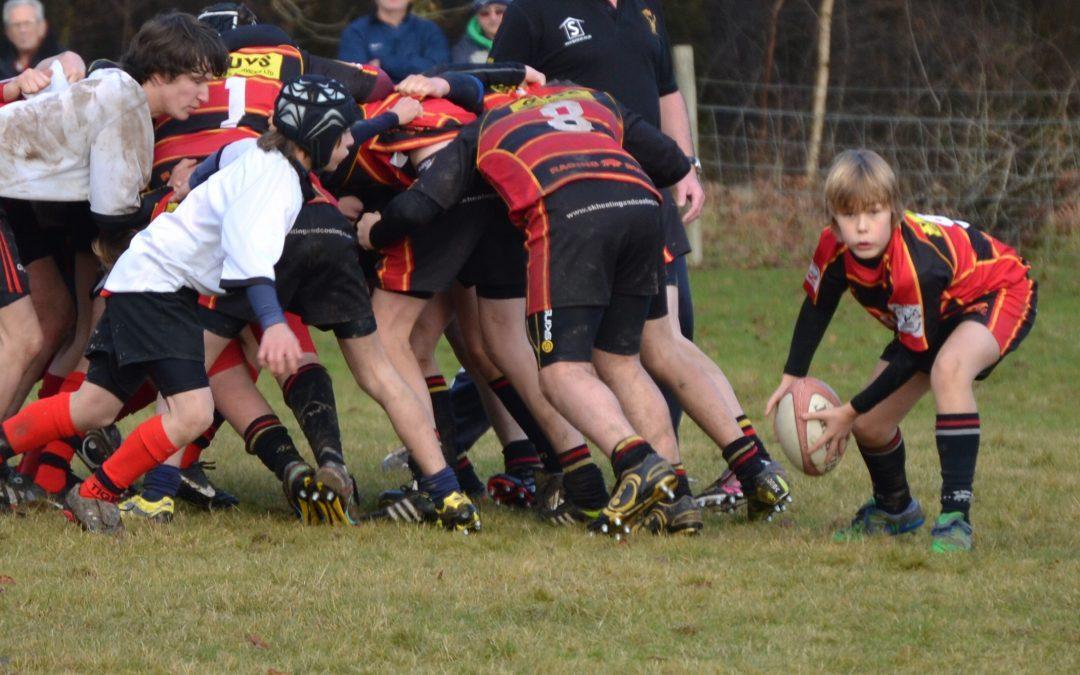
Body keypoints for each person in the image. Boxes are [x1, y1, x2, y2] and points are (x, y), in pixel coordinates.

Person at [0, 75, 364, 534]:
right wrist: (272, 323)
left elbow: (216, 162)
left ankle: (81, 491)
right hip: (158, 287)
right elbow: (249, 256)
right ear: (321, 133)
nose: (352, 142)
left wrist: (189, 187)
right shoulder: (278, 183)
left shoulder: (258, 150)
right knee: (192, 412)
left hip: (142, 276)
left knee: (93, 407)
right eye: (346, 132)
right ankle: (94, 495)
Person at [358, 83, 699, 535]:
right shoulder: (595, 99)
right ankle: (675, 498)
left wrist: (375, 233)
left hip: (572, 217)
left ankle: (638, 462)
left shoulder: (486, 126)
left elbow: (425, 202)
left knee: (560, 373)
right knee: (622, 362)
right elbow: (672, 162)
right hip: (642, 207)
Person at [766, 149, 1037, 552]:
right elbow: (819, 304)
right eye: (849, 214)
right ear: (832, 220)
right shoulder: (833, 247)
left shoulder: (914, 262)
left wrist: (848, 408)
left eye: (873, 213)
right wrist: (793, 374)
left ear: (893, 211)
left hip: (998, 289)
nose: (862, 226)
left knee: (949, 369)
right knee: (870, 425)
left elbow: (913, 355)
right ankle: (895, 509)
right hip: (936, 309)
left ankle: (955, 517)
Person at [338, 0, 450, 82]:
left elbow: (441, 71)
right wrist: (417, 65)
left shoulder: (429, 30)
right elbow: (355, 79)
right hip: (375, 107)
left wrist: (384, 63)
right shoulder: (356, 31)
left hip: (427, 104)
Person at [0, 0, 60, 79]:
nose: (22, 30)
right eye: (16, 25)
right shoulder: (2, 61)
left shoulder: (60, 60)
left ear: (42, 26)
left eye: (28, 23)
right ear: (7, 31)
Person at [451, 0, 509, 65]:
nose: (493, 18)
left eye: (500, 11)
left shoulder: (522, 39)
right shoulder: (463, 49)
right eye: (484, 13)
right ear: (476, 18)